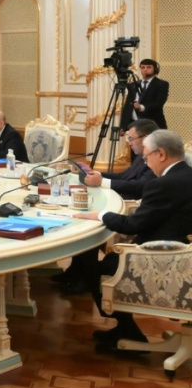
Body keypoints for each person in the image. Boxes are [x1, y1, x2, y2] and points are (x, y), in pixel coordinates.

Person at [72, 129, 192, 352]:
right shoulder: (187, 174)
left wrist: (101, 215)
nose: (146, 163)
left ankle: (128, 331)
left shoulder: (163, 184)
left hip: (164, 260)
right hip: (182, 253)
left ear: (161, 154)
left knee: (96, 270)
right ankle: (125, 329)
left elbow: (133, 225)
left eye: (146, 158)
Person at [52, 119, 158, 293]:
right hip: (121, 201)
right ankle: (75, 271)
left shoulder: (154, 158)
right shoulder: (141, 156)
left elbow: (140, 186)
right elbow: (125, 176)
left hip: (131, 208)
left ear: (146, 137)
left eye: (131, 138)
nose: (128, 143)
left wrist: (102, 182)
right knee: (86, 216)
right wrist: (97, 174)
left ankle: (85, 279)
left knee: (91, 223)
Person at [122, 59, 168, 130]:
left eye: (148, 67)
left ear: (155, 69)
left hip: (153, 124)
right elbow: (127, 106)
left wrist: (141, 107)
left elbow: (159, 103)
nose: (145, 70)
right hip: (134, 124)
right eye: (142, 67)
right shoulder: (133, 84)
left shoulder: (161, 84)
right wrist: (123, 126)